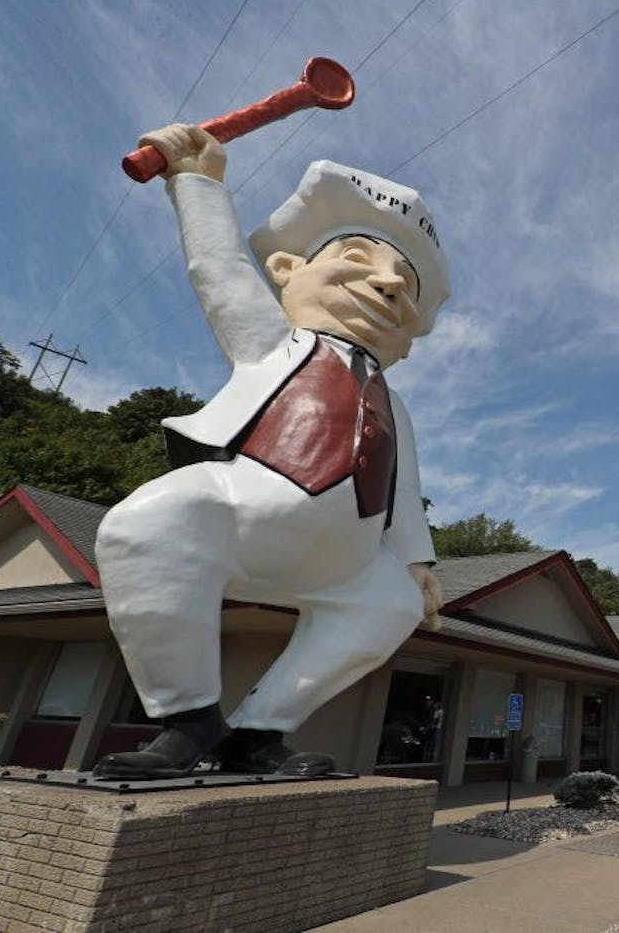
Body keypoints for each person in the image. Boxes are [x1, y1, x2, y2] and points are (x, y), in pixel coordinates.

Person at [91, 124, 448, 779]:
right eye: (362, 260)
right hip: (242, 513)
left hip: (349, 559)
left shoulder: (395, 408)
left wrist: (419, 565)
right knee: (149, 524)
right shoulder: (274, 345)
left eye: (406, 284)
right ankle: (189, 719)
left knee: (390, 605)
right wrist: (197, 183)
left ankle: (260, 731)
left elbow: (402, 494)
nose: (390, 285)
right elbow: (219, 270)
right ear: (288, 271)